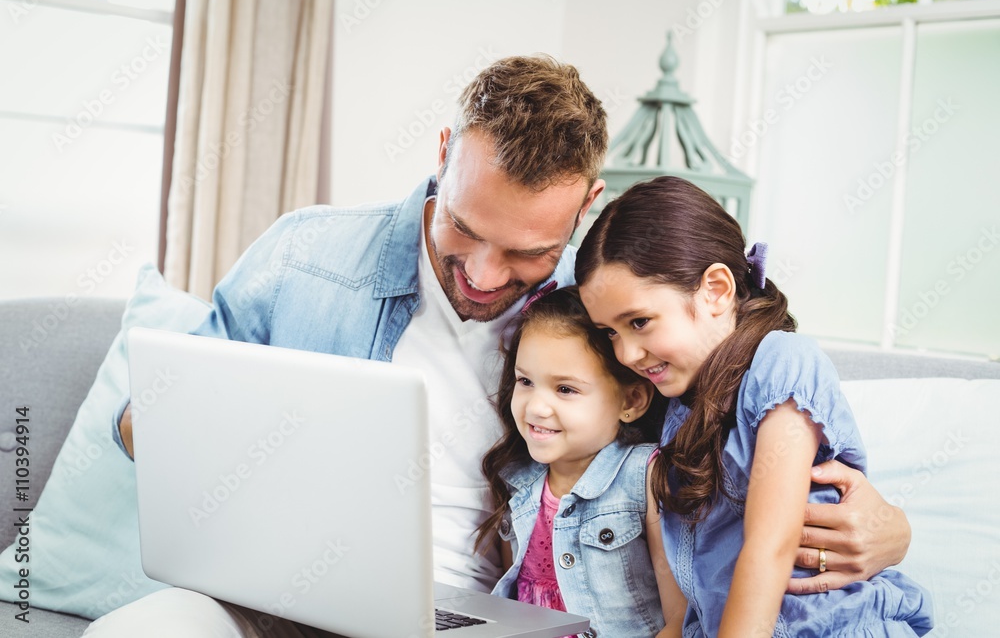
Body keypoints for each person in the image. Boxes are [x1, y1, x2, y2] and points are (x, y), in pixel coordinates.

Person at [90, 57, 910, 637]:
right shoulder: (306, 257)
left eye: (525, 253)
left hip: (479, 620)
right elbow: (148, 414)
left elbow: (732, 461)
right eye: (465, 228)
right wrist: (177, 431)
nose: (483, 274)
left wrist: (891, 527)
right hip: (263, 602)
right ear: (444, 153)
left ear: (586, 205)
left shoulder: (606, 329)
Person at [576, 176, 934, 638]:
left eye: (639, 322)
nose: (625, 354)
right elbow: (697, 587)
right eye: (610, 332)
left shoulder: (782, 363)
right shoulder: (679, 408)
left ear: (717, 291)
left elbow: (771, 544)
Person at [476, 286, 684, 636]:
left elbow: (679, 619)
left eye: (566, 389)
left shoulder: (644, 477)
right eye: (526, 381)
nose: (536, 408)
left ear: (631, 400)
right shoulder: (518, 483)